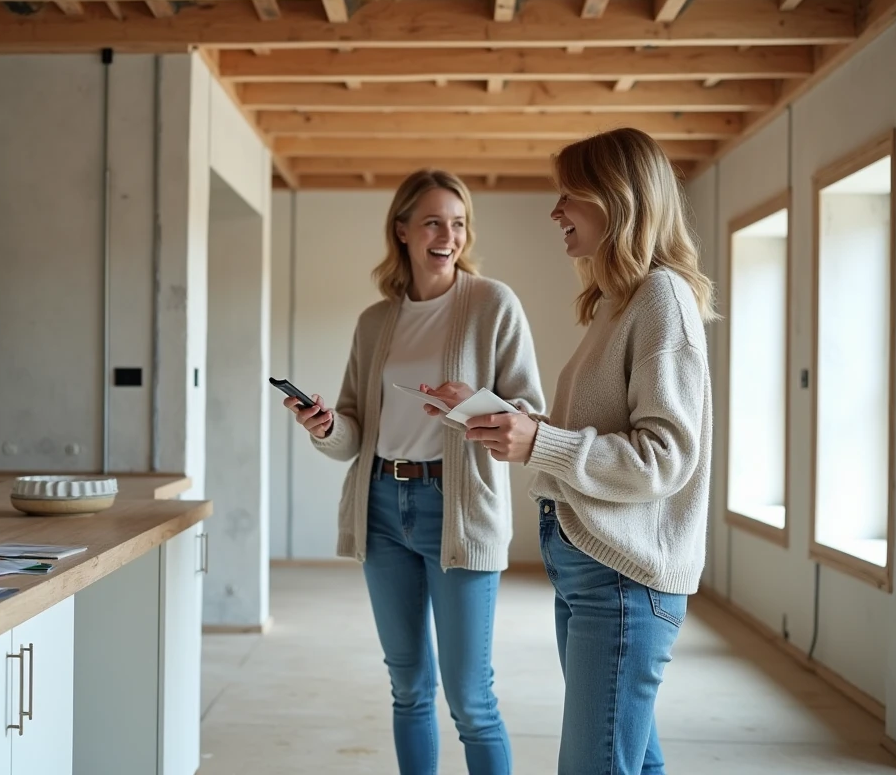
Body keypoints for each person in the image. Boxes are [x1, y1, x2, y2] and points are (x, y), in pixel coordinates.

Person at [426, 128, 716, 774]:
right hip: (593, 568)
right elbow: (598, 429)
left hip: (623, 579)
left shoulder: (662, 299)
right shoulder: (620, 302)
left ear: (617, 199)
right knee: (634, 761)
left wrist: (541, 441)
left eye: (569, 196)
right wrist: (511, 420)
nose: (556, 212)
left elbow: (665, 458)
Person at [283, 169, 545, 775]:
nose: (447, 236)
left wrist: (470, 402)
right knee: (408, 687)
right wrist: (325, 427)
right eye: (432, 221)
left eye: (457, 223)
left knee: (471, 699)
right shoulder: (376, 321)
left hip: (456, 510)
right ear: (401, 230)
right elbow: (352, 428)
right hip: (380, 506)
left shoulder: (491, 303)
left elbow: (528, 415)